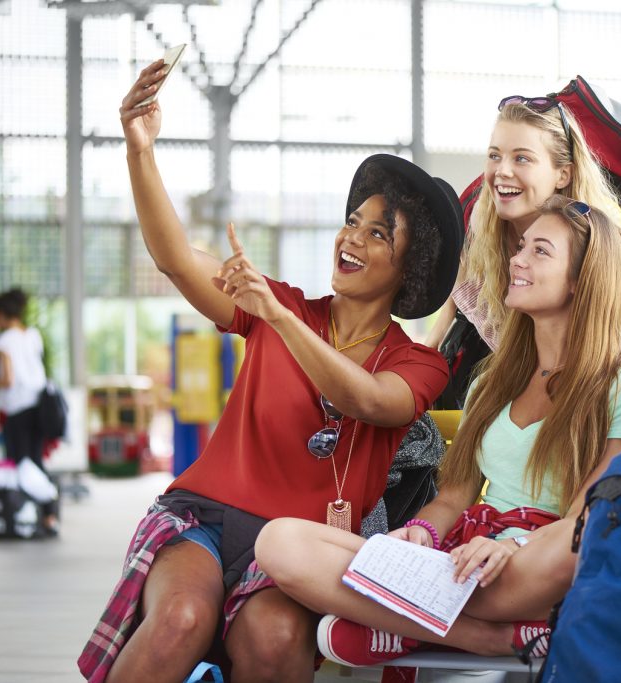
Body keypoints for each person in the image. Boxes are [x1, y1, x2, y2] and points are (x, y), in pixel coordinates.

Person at [79, 60, 463, 683]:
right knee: (178, 617)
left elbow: (370, 401)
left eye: (377, 234)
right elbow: (177, 260)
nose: (352, 238)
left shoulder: (415, 362)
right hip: (204, 517)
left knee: (277, 635)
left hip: (297, 551)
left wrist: (282, 321)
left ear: (409, 269)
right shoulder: (274, 303)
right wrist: (140, 150)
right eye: (351, 222)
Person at [255, 195, 621, 668]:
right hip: (466, 560)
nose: (516, 259)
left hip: (536, 562)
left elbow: (585, 520)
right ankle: (489, 638)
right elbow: (454, 496)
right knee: (279, 542)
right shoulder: (492, 381)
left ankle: (400, 619)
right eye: (520, 246)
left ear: (581, 279)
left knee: (575, 551)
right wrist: (421, 532)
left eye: (539, 251)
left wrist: (512, 546)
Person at [426, 96, 621, 384]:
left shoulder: (595, 244)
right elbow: (515, 347)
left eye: (522, 158)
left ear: (563, 174)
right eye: (495, 155)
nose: (502, 171)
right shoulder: (481, 232)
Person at [0, 288, 48, 471]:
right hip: (38, 405)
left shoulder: (4, 341)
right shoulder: (33, 335)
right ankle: (45, 496)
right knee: (35, 461)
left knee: (18, 462)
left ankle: (22, 499)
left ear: (2, 314)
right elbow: (27, 365)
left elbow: (8, 380)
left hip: (17, 410)